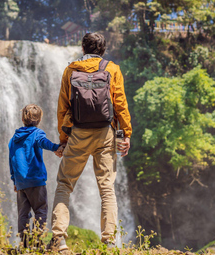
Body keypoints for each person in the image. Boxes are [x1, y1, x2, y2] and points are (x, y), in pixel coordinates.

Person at [49, 32, 132, 251]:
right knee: (107, 188)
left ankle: (59, 240)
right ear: (103, 50)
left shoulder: (70, 70)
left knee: (64, 185)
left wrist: (64, 140)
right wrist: (125, 136)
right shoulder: (112, 69)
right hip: (106, 132)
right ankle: (110, 242)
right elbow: (120, 105)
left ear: (83, 49)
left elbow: (63, 108)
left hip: (78, 133)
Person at [8, 104, 62, 248]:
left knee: (23, 213)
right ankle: (38, 242)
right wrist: (57, 147)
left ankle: (25, 243)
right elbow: (44, 143)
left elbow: (11, 160)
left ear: (22, 118)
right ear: (39, 120)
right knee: (40, 209)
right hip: (36, 181)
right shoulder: (37, 133)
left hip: (21, 184)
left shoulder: (14, 139)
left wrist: (14, 180)